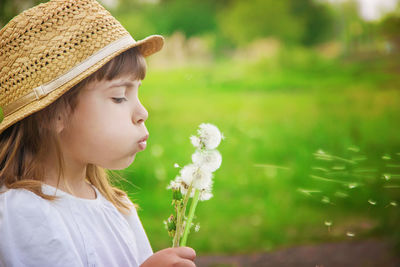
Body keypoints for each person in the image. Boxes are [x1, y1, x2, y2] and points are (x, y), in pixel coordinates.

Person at [0, 0, 196, 266]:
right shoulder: (23, 213)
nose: (142, 113)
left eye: (137, 93)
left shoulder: (117, 206)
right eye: (118, 97)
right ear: (54, 114)